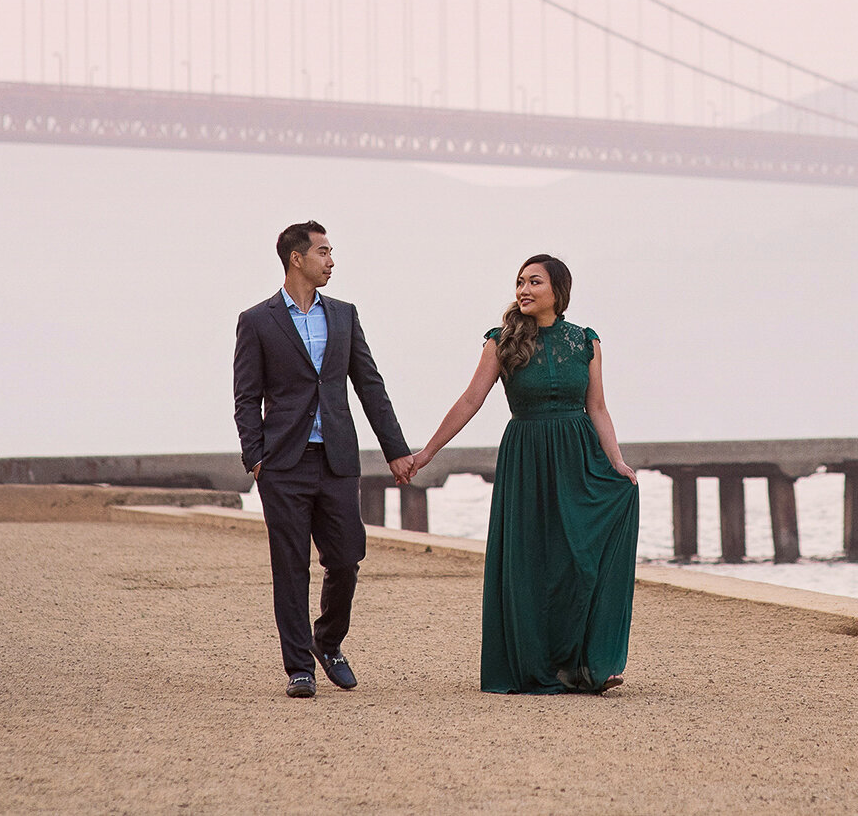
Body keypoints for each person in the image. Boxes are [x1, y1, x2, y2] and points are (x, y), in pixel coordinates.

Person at [401, 253, 641, 693]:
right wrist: (428, 452)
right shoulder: (502, 341)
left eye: (534, 282)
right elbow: (471, 400)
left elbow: (598, 407)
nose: (524, 290)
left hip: (578, 457)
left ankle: (587, 663)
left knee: (578, 561)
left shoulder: (586, 341)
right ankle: (536, 666)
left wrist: (617, 462)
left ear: (558, 291)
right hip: (526, 459)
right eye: (519, 283)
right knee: (532, 562)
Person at [232, 220, 417, 698]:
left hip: (337, 458)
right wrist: (256, 459)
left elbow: (369, 386)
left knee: (346, 559)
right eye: (324, 252)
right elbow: (246, 397)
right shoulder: (256, 320)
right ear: (298, 258)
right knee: (290, 565)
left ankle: (327, 641)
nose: (331, 261)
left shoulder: (345, 314)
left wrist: (396, 451)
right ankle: (299, 668)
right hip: (284, 464)